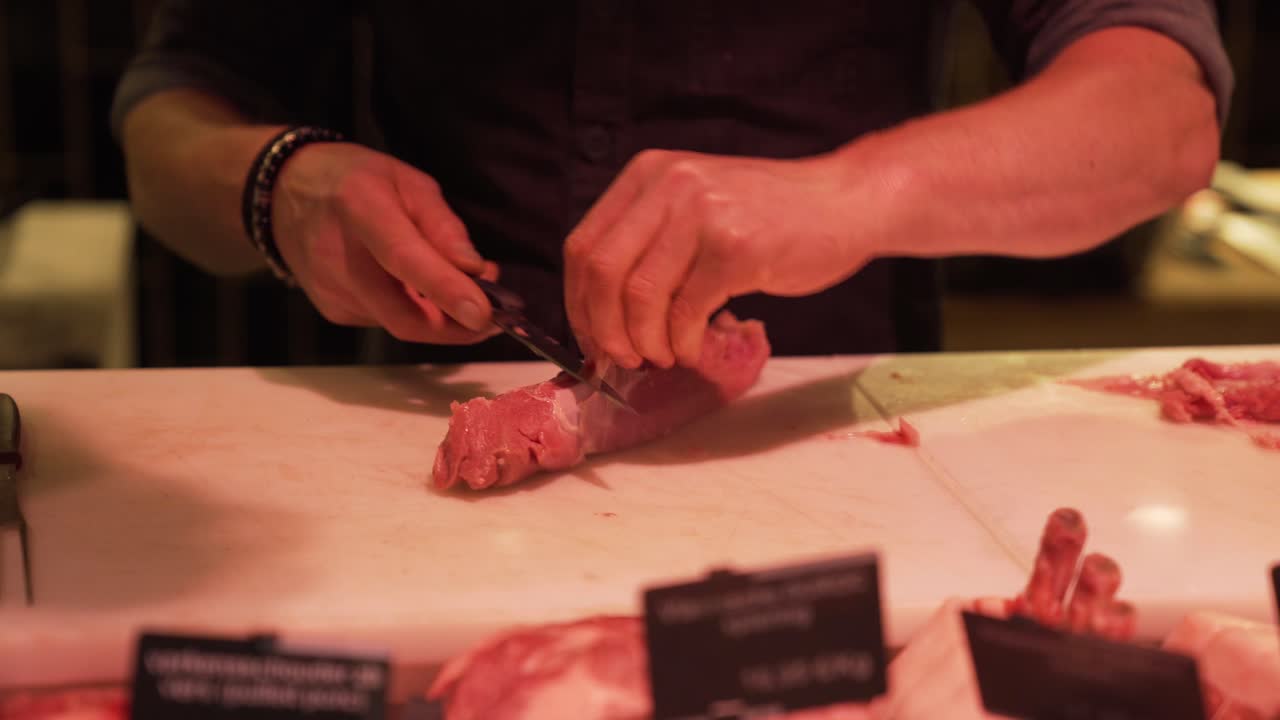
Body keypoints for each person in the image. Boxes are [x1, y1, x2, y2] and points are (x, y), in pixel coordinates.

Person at [111, 1, 1232, 370]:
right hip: (430, 446)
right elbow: (173, 113)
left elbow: (1158, 116)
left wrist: (849, 196)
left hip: (826, 447)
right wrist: (278, 184)